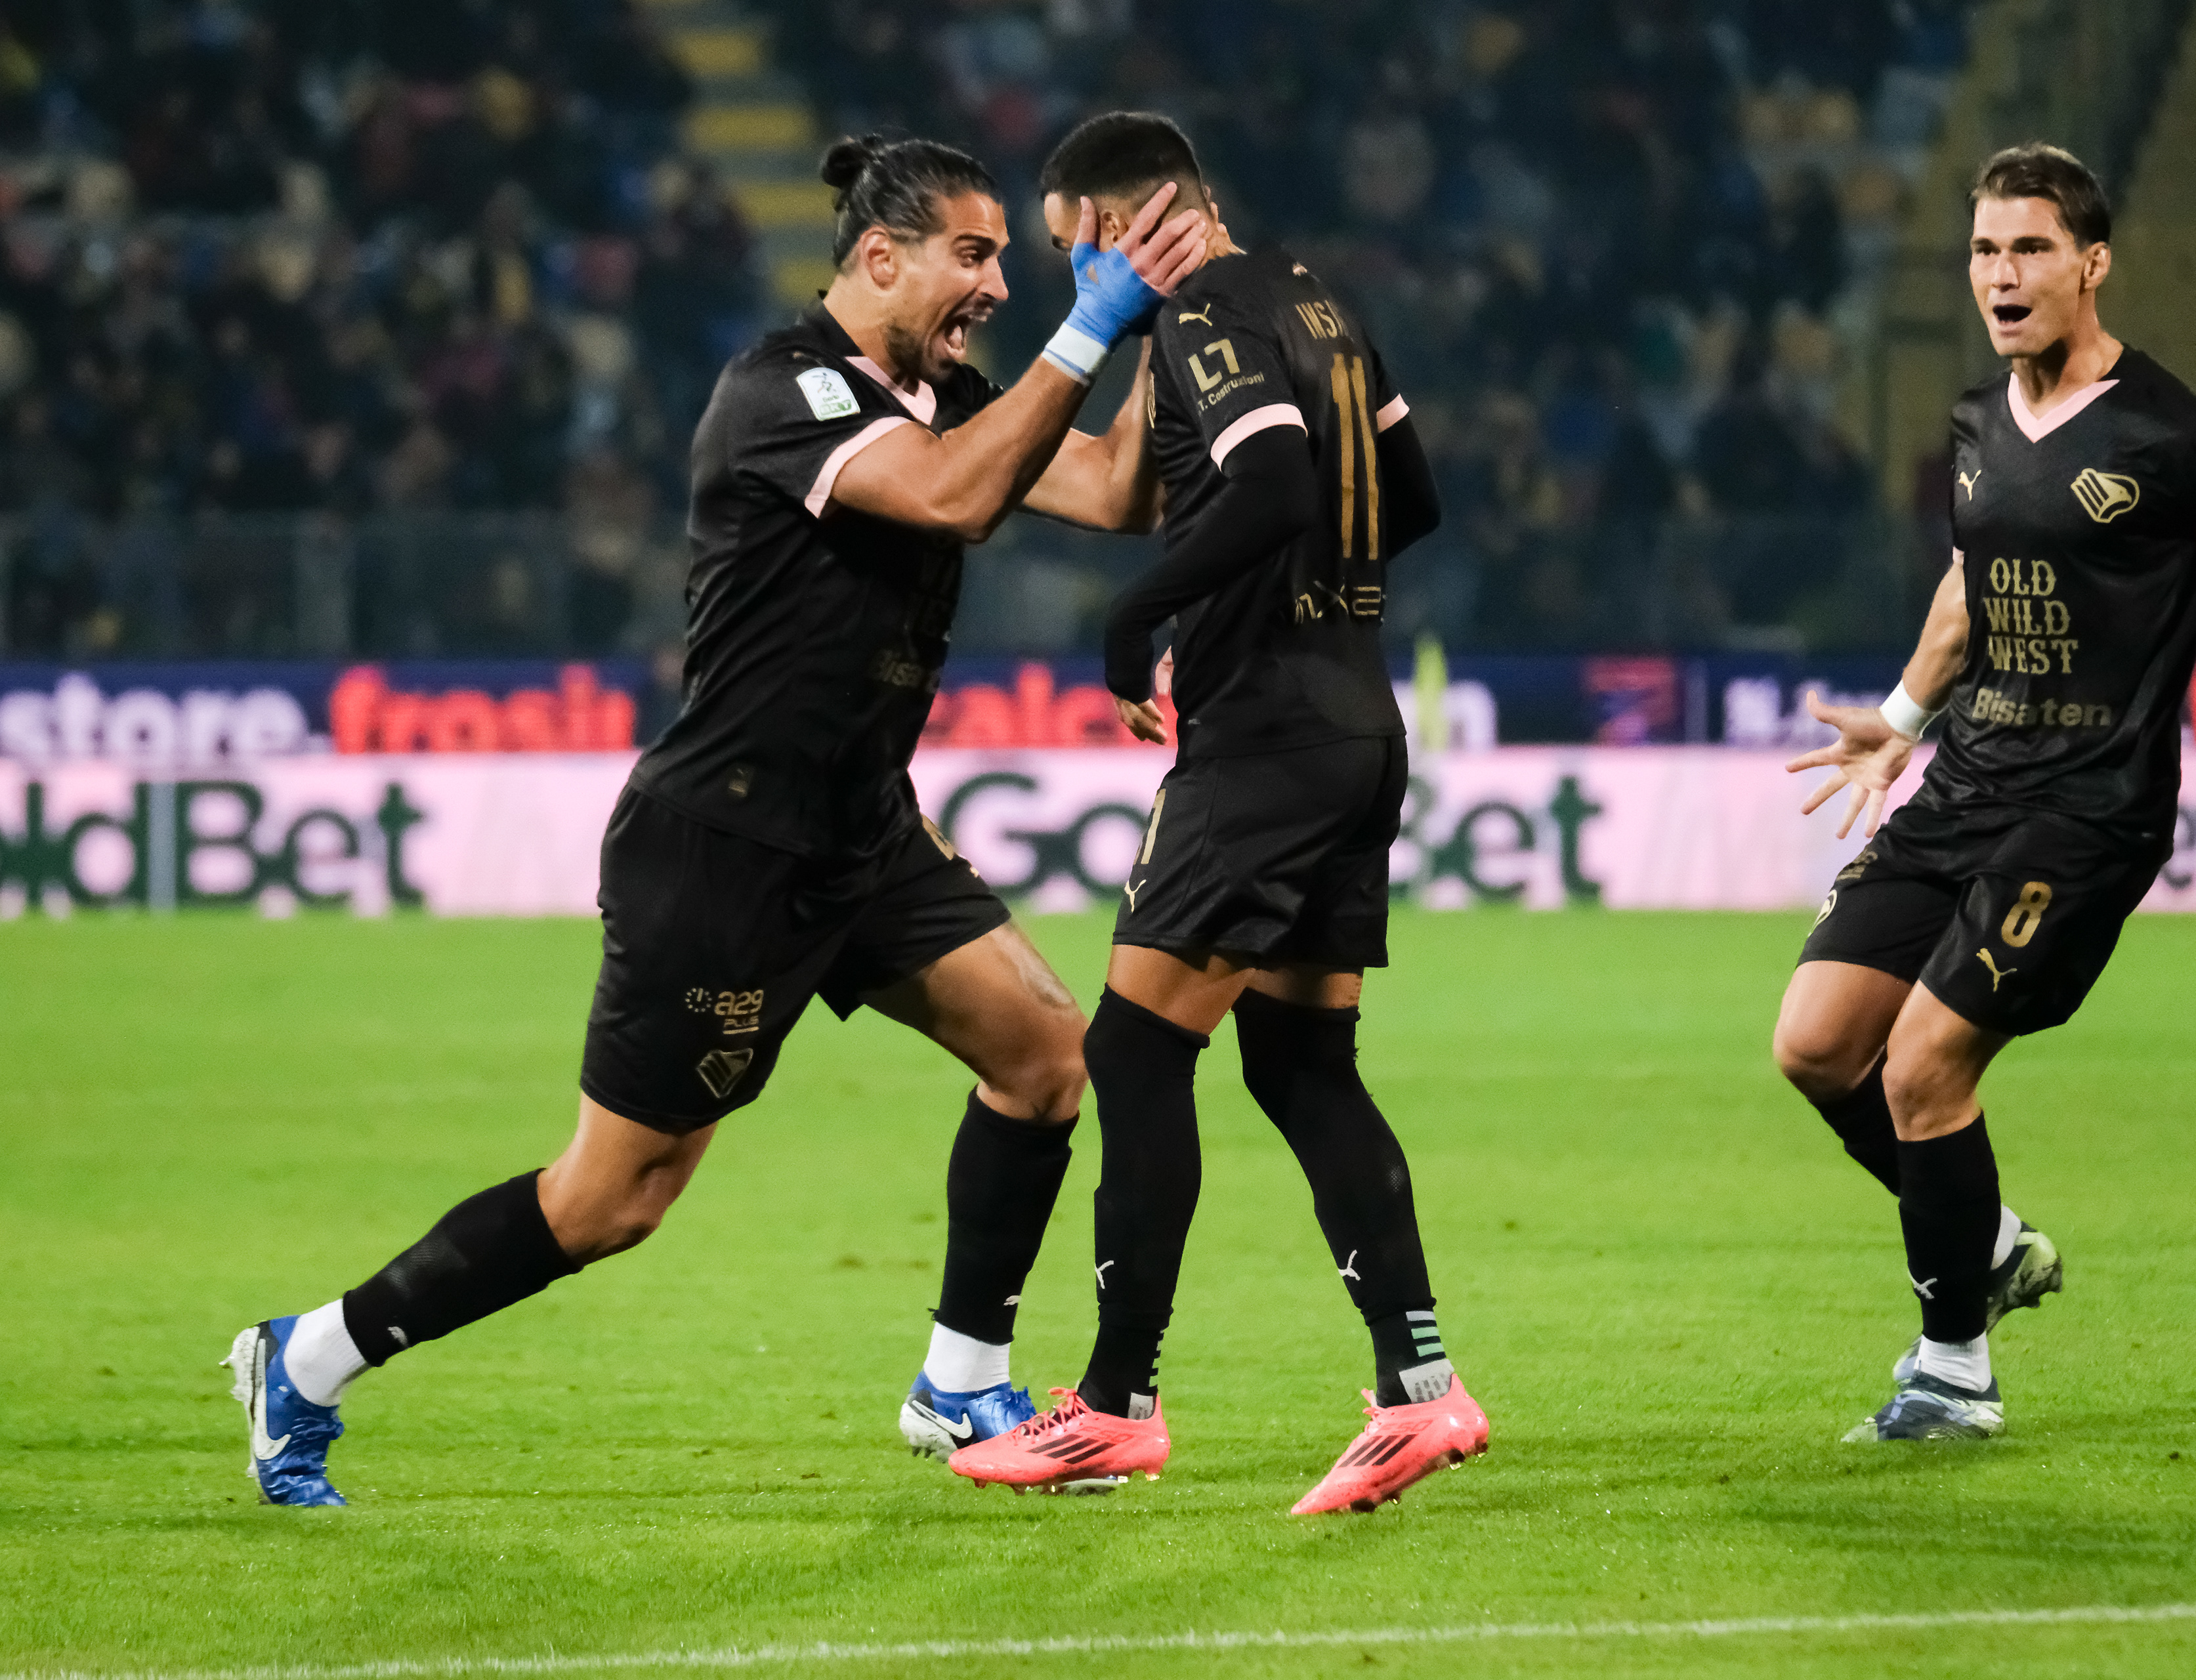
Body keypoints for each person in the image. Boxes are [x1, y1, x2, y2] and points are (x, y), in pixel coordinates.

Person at [224, 134, 1207, 1505]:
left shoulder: (941, 392)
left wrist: (1155, 313)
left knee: (1046, 1053)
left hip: (861, 832)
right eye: (972, 255)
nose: (995, 283)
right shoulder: (783, 390)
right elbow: (952, 498)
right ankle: (308, 1355)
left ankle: (960, 1377)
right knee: (610, 1200)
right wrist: (1090, 324)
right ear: (880, 258)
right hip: (727, 849)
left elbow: (1113, 489)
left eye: (1001, 256)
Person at [1771, 144, 2196, 1443]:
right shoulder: (1972, 428)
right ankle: (1993, 1239)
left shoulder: (2179, 439)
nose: (2001, 277)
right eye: (1982, 252)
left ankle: (1955, 1367)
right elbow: (1973, 587)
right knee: (1813, 1042)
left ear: (2092, 262)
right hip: (1967, 786)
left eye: (2028, 250)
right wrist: (1902, 719)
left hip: (2087, 812)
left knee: (1923, 1066)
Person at [944, 112, 1485, 1515]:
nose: (1075, 277)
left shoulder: (1201, 313)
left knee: (1130, 1054)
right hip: (1359, 713)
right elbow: (1407, 493)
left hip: (1263, 744)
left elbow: (1272, 481)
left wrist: (1144, 621)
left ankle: (1114, 1404)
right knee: (1304, 1065)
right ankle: (1421, 1389)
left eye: (1077, 246)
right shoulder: (1321, 298)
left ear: (1135, 223)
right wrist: (1287, 599)